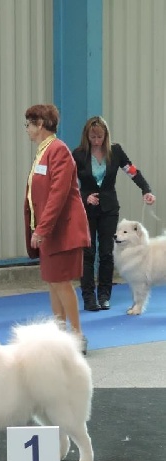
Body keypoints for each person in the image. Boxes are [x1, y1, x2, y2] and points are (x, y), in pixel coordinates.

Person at [23, 104, 90, 353]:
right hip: (50, 231)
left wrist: (42, 229)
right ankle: (60, 333)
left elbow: (57, 194)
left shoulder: (58, 150)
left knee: (61, 282)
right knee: (53, 282)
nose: (27, 129)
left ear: (40, 124)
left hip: (62, 230)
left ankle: (77, 335)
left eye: (28, 124)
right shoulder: (43, 152)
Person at [72, 116, 156, 311]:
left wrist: (146, 190)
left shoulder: (115, 151)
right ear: (86, 136)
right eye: (92, 137)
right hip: (86, 210)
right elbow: (69, 184)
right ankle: (88, 297)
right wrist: (85, 197)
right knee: (88, 253)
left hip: (109, 209)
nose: (96, 141)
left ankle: (104, 296)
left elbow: (132, 171)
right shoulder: (78, 154)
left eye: (100, 137)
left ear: (106, 136)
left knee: (107, 253)